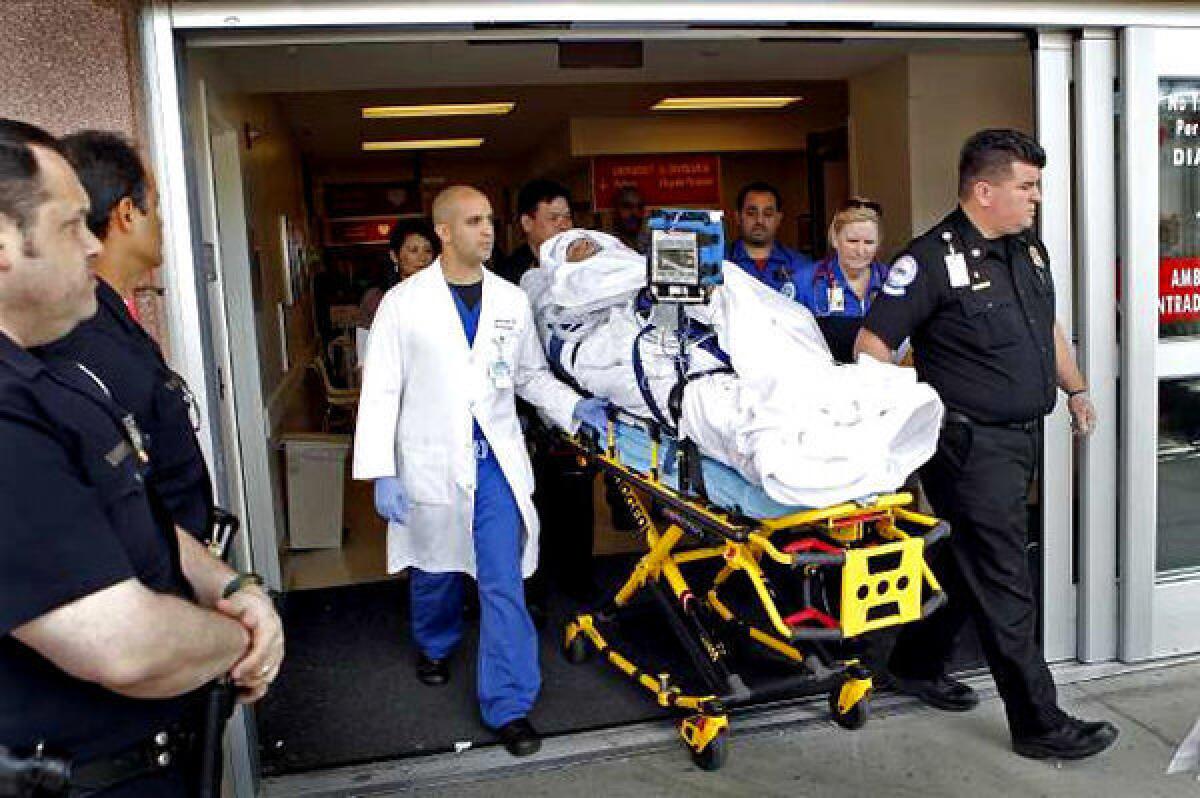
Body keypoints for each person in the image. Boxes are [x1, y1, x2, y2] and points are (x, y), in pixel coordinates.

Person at [0, 119, 282, 795]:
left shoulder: (53, 381)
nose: (95, 244)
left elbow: (139, 506)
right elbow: (124, 645)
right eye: (72, 226)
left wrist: (232, 588)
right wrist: (238, 637)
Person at [854, 128, 1113, 760]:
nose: (1036, 198)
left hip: (1020, 438)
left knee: (966, 563)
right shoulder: (928, 261)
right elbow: (871, 351)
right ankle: (1038, 722)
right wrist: (917, 417)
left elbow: (1044, 325)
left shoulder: (1027, 251)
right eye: (1027, 186)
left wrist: (1075, 389)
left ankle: (914, 664)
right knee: (1005, 580)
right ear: (983, 190)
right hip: (967, 448)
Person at [352, 185, 605, 757]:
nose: (487, 231)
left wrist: (571, 406)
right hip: (428, 458)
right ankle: (435, 643)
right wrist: (381, 471)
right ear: (443, 231)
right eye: (473, 221)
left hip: (492, 461)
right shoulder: (403, 303)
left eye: (490, 220)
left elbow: (529, 377)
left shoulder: (511, 301)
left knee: (502, 579)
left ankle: (510, 704)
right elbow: (381, 391)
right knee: (435, 568)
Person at [30, 130, 212, 540]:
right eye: (157, 207)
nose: (162, 223)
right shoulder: (78, 340)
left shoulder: (114, 316)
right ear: (127, 213)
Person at [798, 198, 889, 363]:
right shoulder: (805, 282)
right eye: (852, 241)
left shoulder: (892, 282)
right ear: (835, 239)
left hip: (878, 381)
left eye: (869, 242)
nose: (860, 251)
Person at [357, 218, 437, 367]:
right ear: (395, 256)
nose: (423, 258)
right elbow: (364, 360)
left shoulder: (442, 297)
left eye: (428, 250)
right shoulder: (376, 299)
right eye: (413, 250)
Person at [728, 181, 812, 301]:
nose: (759, 221)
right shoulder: (722, 264)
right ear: (738, 218)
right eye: (751, 213)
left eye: (767, 214)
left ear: (778, 219)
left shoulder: (801, 266)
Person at [492, 178, 573, 286]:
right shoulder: (508, 277)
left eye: (568, 217)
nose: (564, 225)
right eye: (553, 218)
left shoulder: (579, 260)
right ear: (527, 223)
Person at [611, 185, 647, 254]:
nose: (635, 212)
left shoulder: (649, 244)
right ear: (615, 210)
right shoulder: (606, 243)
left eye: (639, 207)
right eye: (627, 206)